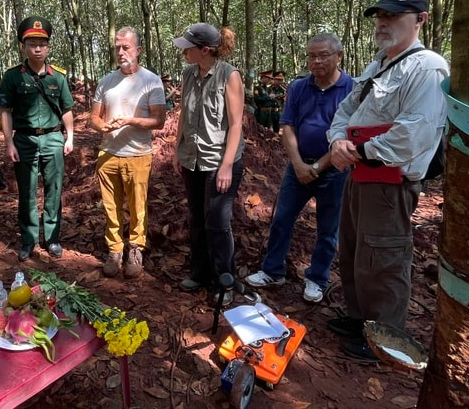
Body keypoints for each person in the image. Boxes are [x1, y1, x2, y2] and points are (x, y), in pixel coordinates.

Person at [327, 0, 449, 361]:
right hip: (357, 172)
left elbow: (415, 133)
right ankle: (361, 318)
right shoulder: (380, 62)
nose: (383, 23)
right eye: (380, 16)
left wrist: (358, 150)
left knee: (384, 258)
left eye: (393, 16)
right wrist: (337, 142)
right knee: (353, 251)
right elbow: (346, 109)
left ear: (420, 19)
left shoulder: (428, 68)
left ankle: (387, 338)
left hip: (389, 180)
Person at [245, 33, 354, 303]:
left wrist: (317, 166)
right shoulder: (298, 87)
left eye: (323, 55)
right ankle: (273, 270)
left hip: (336, 170)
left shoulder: (353, 88)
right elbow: (288, 125)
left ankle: (317, 278)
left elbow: (350, 134)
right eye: (311, 55)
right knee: (282, 218)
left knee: (328, 229)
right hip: (298, 166)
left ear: (338, 56)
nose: (316, 61)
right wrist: (298, 164)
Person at [173, 23, 248, 305]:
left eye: (188, 47)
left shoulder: (229, 76)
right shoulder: (188, 74)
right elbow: (183, 114)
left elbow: (236, 124)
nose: (184, 51)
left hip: (219, 161)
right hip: (192, 158)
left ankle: (224, 280)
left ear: (205, 49)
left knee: (217, 221)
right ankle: (200, 272)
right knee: (197, 220)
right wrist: (177, 150)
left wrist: (227, 165)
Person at [90, 27, 166, 278]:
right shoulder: (106, 81)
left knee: (137, 206)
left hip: (138, 154)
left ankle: (135, 247)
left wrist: (129, 121)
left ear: (138, 50)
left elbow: (158, 121)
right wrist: (104, 126)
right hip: (109, 153)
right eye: (117, 47)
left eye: (126, 47)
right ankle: (114, 249)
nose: (121, 52)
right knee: (110, 207)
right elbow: (94, 117)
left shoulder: (151, 81)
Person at [0, 16, 75, 261]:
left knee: (54, 190)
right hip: (25, 141)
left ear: (48, 46)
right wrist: (8, 142)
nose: (37, 48)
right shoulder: (12, 77)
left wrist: (69, 137)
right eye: (32, 43)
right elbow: (5, 111)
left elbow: (67, 109)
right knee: (27, 192)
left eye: (42, 43)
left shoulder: (57, 77)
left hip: (53, 138)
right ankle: (28, 239)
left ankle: (52, 238)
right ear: (23, 45)